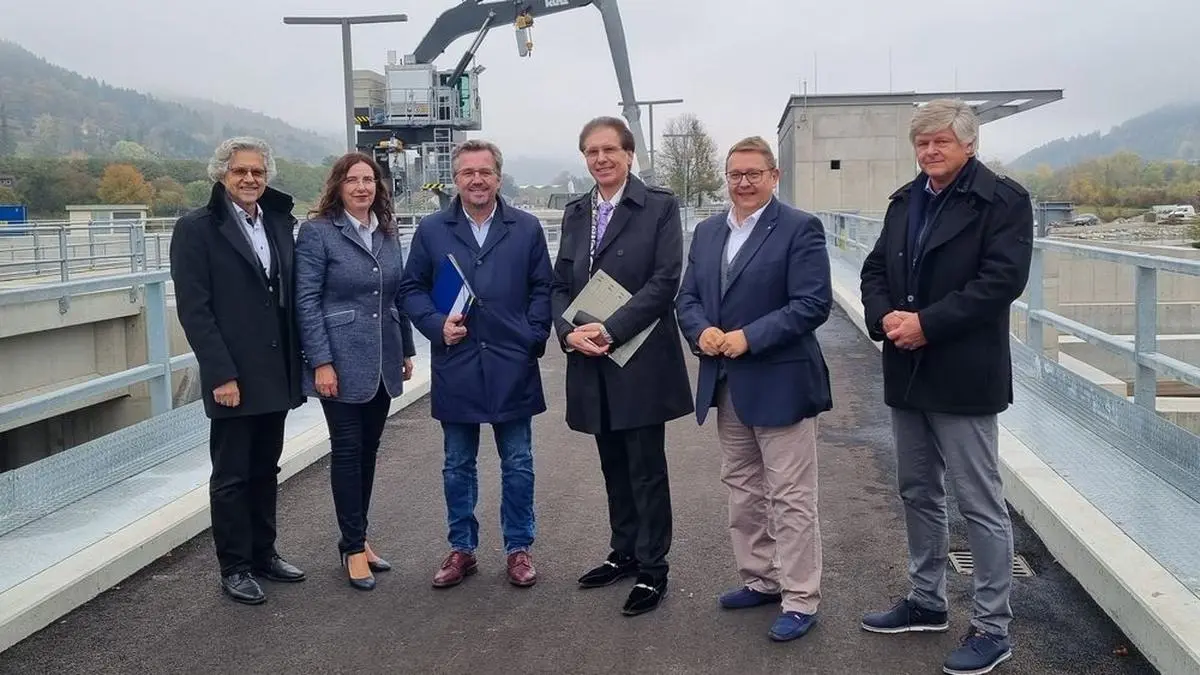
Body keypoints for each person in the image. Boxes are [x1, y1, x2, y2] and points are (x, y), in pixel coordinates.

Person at [858, 99, 1033, 675]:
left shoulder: (1002, 201)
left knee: (979, 501)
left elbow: (1000, 282)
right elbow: (875, 269)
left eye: (942, 142)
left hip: (963, 372)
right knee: (917, 490)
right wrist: (884, 317)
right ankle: (926, 600)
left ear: (969, 144)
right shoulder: (905, 201)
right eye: (923, 143)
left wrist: (926, 324)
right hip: (908, 368)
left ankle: (992, 627)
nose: (930, 151)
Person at [675, 135, 833, 641]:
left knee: (790, 497)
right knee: (743, 489)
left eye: (753, 174)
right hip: (727, 384)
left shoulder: (799, 228)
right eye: (735, 174)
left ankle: (800, 598)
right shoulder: (707, 232)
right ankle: (761, 579)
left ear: (773, 176)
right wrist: (700, 331)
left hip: (781, 381)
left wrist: (748, 337)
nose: (743, 183)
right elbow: (687, 297)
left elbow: (812, 303)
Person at [551, 116, 693, 617]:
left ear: (629, 154)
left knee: (645, 467)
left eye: (609, 149)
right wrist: (567, 332)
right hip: (590, 357)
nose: (601, 159)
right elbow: (559, 283)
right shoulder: (575, 212)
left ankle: (653, 568)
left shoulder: (658, 206)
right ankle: (624, 551)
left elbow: (665, 281)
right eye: (591, 151)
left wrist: (610, 330)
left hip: (639, 354)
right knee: (612, 461)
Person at [399, 139, 553, 589]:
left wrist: (533, 335)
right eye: (468, 173)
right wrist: (435, 325)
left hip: (512, 360)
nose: (477, 180)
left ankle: (518, 547)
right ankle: (462, 549)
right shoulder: (432, 230)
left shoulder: (525, 228)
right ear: (455, 180)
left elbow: (543, 287)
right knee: (457, 464)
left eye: (485, 172)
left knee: (518, 461)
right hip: (458, 359)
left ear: (498, 177)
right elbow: (411, 289)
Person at [169, 137, 307, 605]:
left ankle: (264, 553)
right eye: (240, 171)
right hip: (233, 373)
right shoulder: (197, 229)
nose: (249, 179)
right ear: (222, 174)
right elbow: (195, 310)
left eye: (257, 172)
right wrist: (220, 374)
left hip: (275, 368)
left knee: (266, 468)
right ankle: (235, 566)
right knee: (231, 475)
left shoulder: (277, 222)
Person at [293, 152, 417, 591]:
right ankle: (351, 547)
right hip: (340, 361)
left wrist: (405, 348)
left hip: (382, 358)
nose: (362, 187)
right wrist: (321, 361)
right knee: (347, 451)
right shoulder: (318, 232)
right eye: (353, 180)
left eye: (369, 179)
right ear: (338, 186)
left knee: (368, 451)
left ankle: (359, 538)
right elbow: (306, 301)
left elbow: (396, 295)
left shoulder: (387, 231)